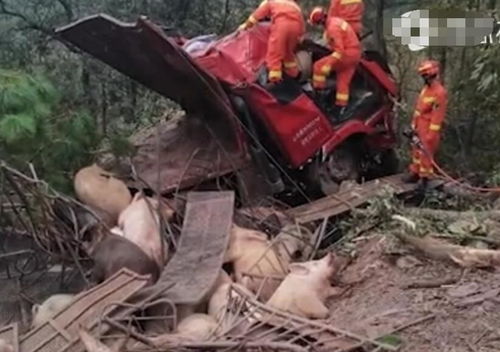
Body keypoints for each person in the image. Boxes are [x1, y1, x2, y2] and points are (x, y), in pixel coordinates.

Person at [309, 7, 361, 116]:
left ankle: (319, 97)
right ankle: (341, 107)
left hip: (347, 55)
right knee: (343, 82)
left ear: (320, 22)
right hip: (355, 55)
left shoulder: (332, 28)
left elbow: (339, 51)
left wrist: (328, 64)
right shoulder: (336, 21)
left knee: (318, 67)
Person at [403, 60, 448, 187]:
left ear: (431, 75)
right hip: (419, 126)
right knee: (416, 151)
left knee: (425, 154)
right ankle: (415, 173)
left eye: (425, 76)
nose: (423, 78)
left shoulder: (439, 93)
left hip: (429, 129)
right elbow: (418, 109)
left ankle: (424, 178)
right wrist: (413, 125)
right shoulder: (425, 90)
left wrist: (431, 135)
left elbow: (437, 116)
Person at [238, 0, 305, 84]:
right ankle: (293, 74)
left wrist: (246, 25)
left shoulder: (271, 2)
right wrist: (301, 35)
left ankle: (275, 78)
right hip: (296, 27)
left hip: (282, 25)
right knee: (288, 52)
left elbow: (257, 14)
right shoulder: (294, 5)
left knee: (274, 52)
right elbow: (302, 22)